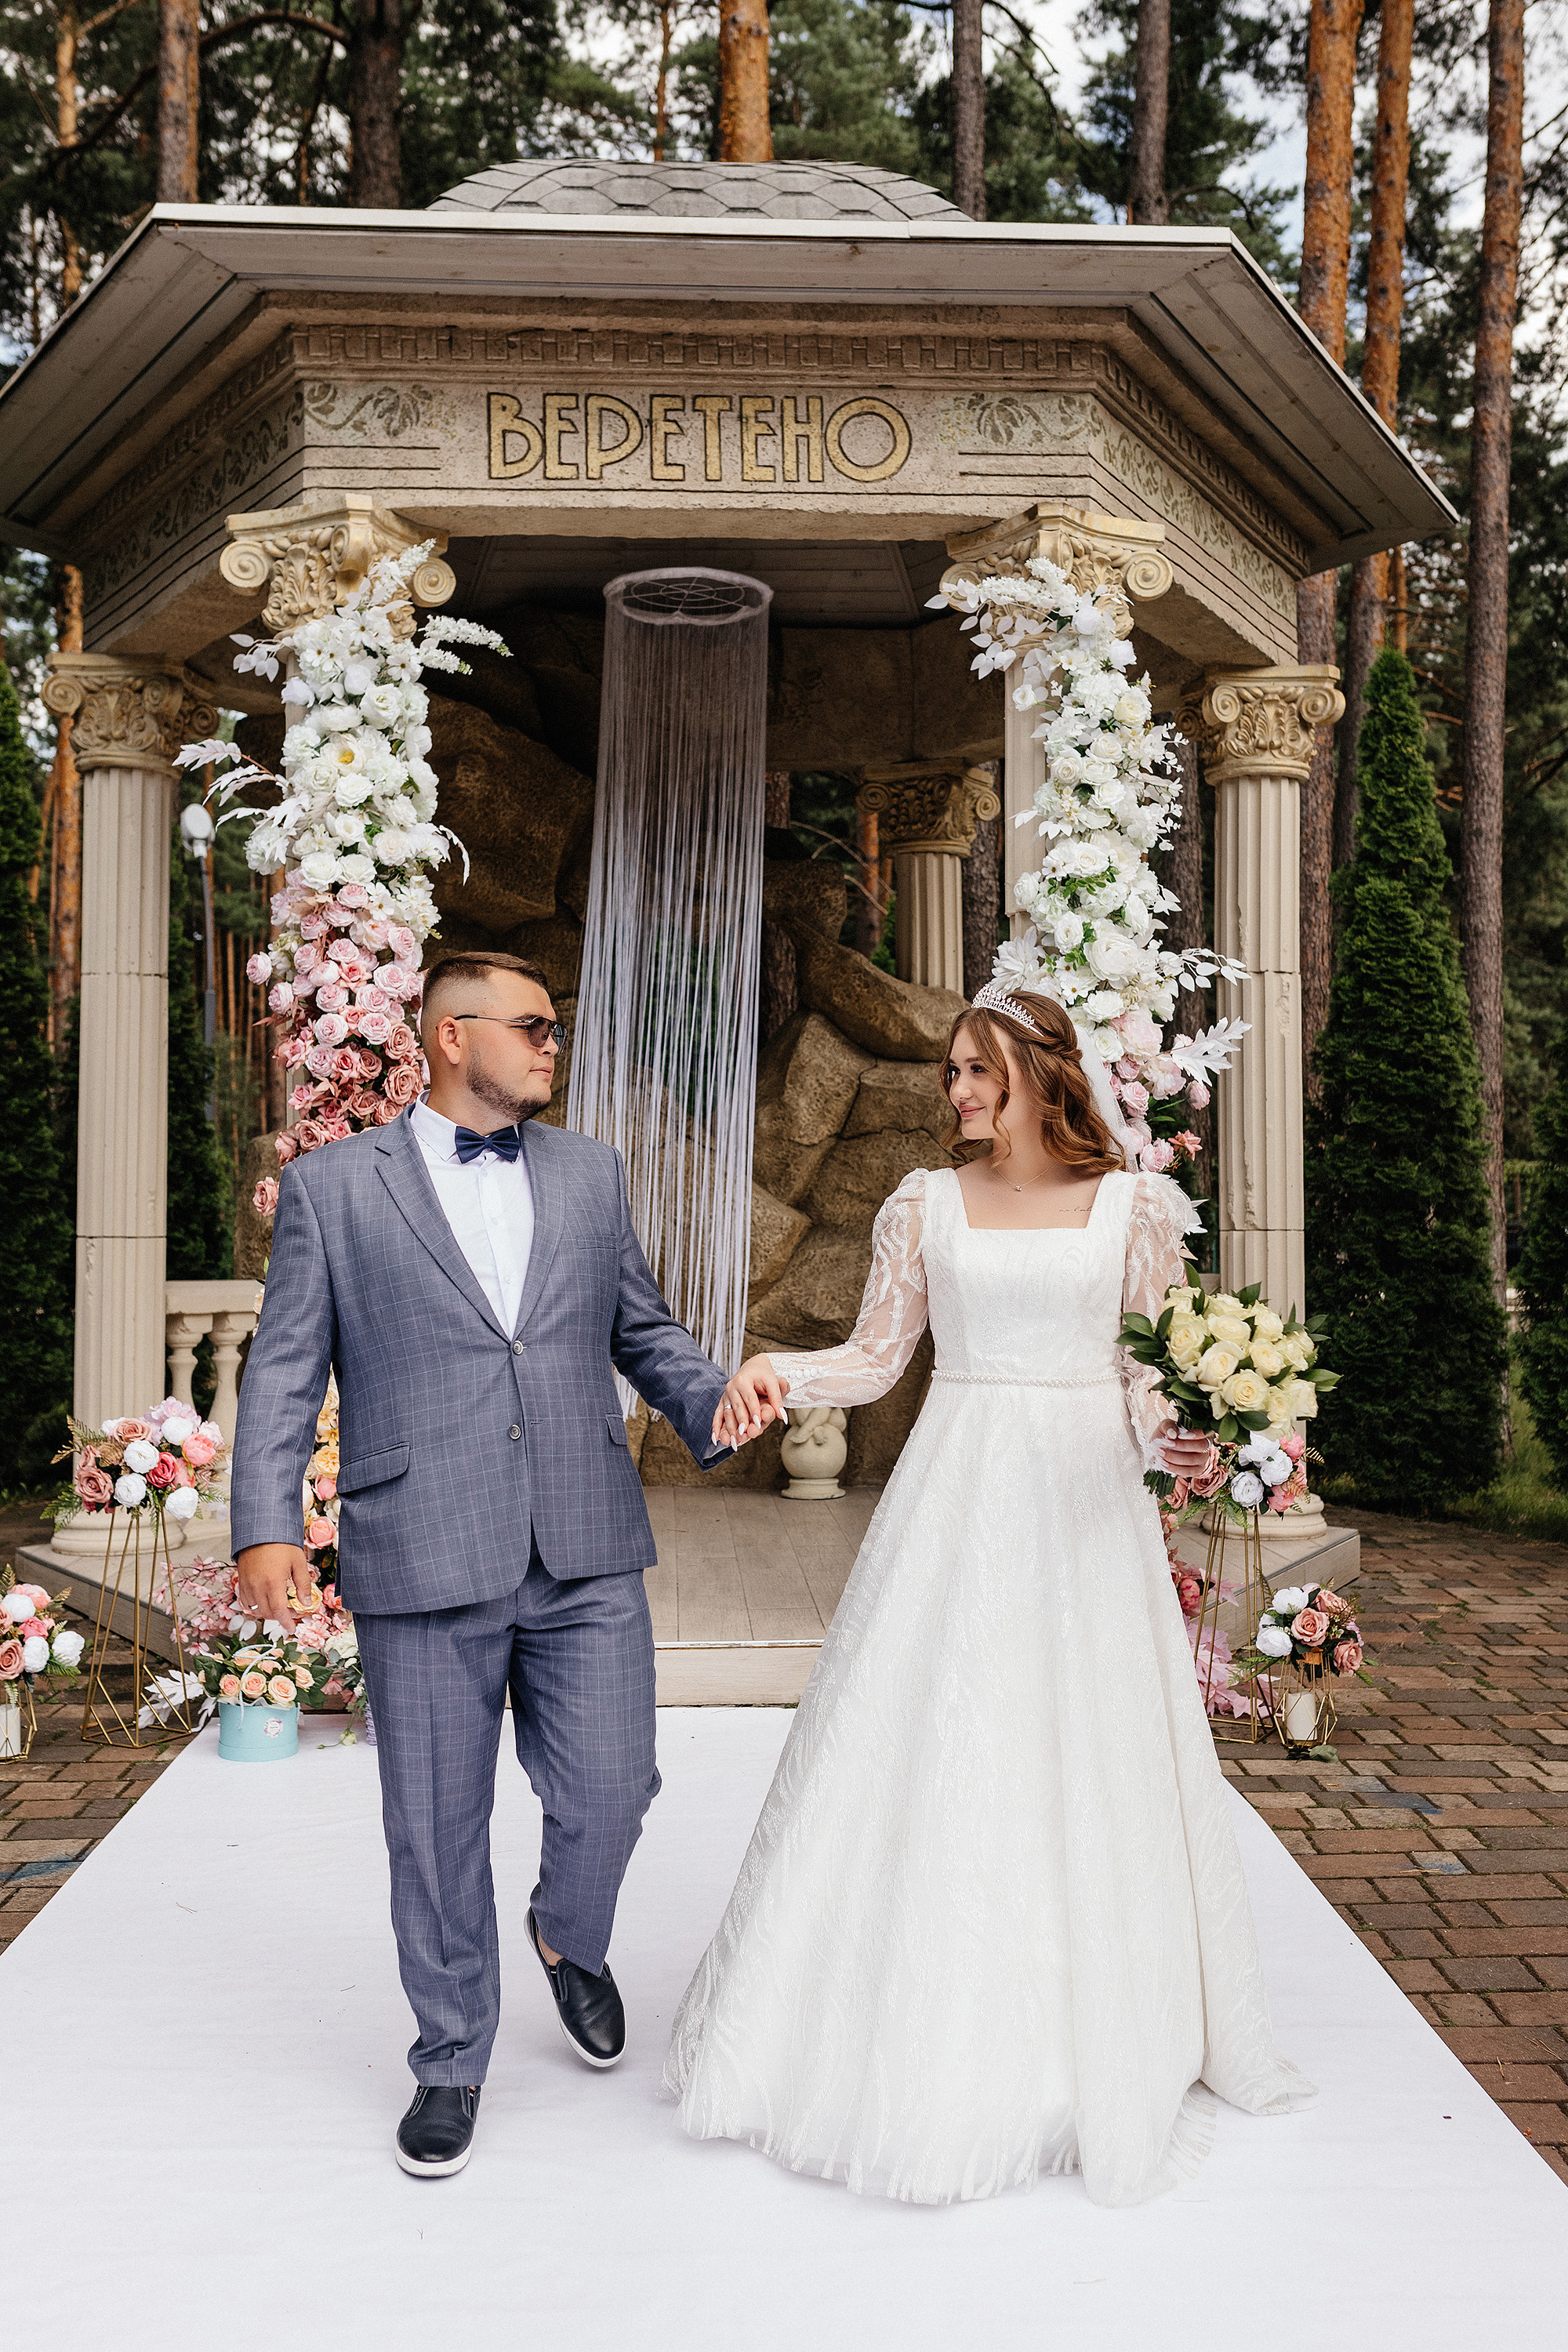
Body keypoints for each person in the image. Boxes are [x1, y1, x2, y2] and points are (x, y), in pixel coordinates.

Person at [666, 985, 1313, 2209]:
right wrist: (775, 1368)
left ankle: (1099, 2033)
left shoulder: (1133, 1209)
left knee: (1087, 1752)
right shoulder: (924, 1203)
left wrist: (1180, 1441)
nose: (956, 1090)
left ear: (1039, 1071)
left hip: (1086, 1504)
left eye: (977, 1070)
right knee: (941, 1739)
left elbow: (1145, 1378)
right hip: (957, 1492)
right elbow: (877, 1360)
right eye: (953, 1071)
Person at [230, 950, 732, 2180]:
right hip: (421, 1540)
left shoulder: (590, 1173)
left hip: (582, 1536)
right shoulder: (334, 1190)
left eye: (554, 1027)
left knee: (614, 1786)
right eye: (534, 1026)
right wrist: (264, 1524)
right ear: (452, 1035)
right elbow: (285, 1366)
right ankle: (450, 2059)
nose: (554, 1044)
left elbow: (642, 1329)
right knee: (435, 1825)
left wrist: (717, 1402)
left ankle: (566, 1932)